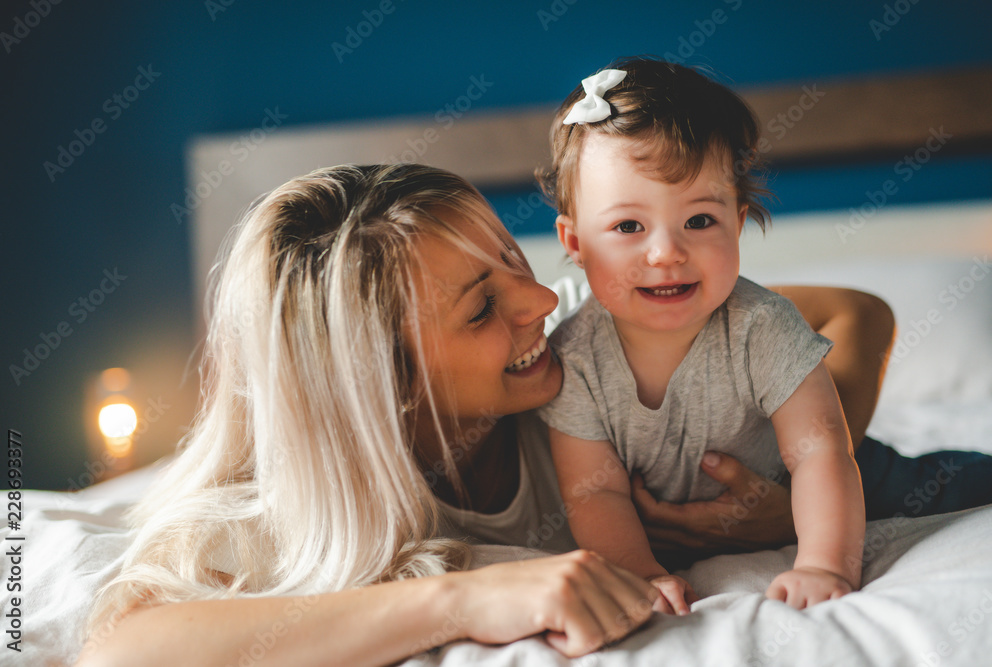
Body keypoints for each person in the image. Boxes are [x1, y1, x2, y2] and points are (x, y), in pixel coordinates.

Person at [76, 163, 896, 666]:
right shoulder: (281, 508)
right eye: (480, 310)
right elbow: (120, 653)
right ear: (384, 384)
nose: (542, 298)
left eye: (513, 254)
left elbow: (856, 312)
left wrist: (807, 465)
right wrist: (463, 600)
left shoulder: (593, 338)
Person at [536, 58, 868, 612]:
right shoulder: (574, 358)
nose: (666, 252)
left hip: (849, 489)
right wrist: (641, 573)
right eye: (627, 226)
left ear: (737, 224)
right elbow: (596, 492)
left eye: (699, 221)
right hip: (665, 533)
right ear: (574, 242)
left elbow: (822, 454)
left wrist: (823, 564)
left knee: (957, 484)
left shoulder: (762, 326)